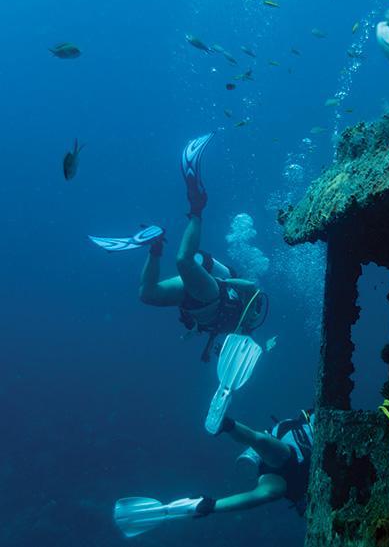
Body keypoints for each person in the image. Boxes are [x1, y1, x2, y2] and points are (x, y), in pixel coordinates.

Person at [137, 133, 268, 361]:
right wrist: (223, 283)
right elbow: (251, 287)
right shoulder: (250, 314)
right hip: (211, 295)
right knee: (183, 261)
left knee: (147, 294)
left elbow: (211, 332)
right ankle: (197, 207)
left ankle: (156, 247)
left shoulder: (233, 331)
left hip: (191, 302)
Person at [113, 410, 315, 538]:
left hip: (293, 481)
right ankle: (226, 424)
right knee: (268, 447)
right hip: (295, 452)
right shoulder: (307, 420)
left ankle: (206, 505)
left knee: (267, 493)